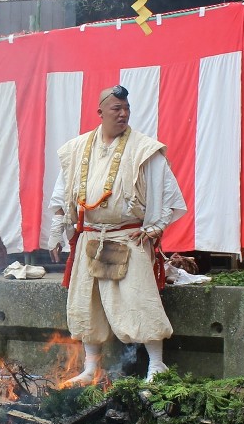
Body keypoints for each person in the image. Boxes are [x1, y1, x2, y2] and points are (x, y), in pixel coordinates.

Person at [46, 85, 187, 385]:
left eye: (126, 109)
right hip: (90, 238)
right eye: (116, 109)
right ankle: (90, 367)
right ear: (100, 112)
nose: (123, 114)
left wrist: (155, 228)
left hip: (126, 237)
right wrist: (57, 227)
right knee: (86, 303)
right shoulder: (77, 148)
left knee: (140, 300)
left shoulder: (143, 148)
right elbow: (61, 194)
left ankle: (157, 365)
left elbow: (170, 194)